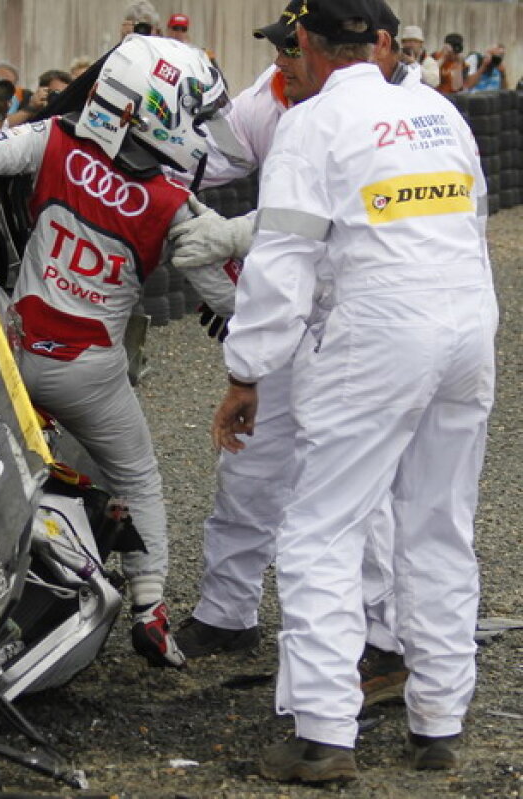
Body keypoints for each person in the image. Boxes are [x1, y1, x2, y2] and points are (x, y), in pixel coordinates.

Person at [0, 35, 238, 669]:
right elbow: (229, 295)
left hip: (8, 355)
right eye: (193, 114)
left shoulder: (54, 138)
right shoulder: (175, 204)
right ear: (158, 111)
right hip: (90, 374)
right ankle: (150, 609)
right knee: (139, 478)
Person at [211, 0, 495, 782]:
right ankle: (439, 720)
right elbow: (469, 227)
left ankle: (324, 733)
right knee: (439, 523)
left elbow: (281, 266)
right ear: (377, 42)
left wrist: (247, 372)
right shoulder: (438, 111)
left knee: (321, 528)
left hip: (377, 332)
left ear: (302, 42)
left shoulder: (311, 126)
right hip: (468, 324)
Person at [172, 0, 424, 708]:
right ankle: (227, 613)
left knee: (357, 493)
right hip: (286, 314)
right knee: (246, 462)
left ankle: (381, 641)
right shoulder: (275, 96)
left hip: (359, 325)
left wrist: (234, 236)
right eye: (283, 48)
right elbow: (209, 160)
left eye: (295, 49)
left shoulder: (407, 109)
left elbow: (312, 219)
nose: (286, 61)